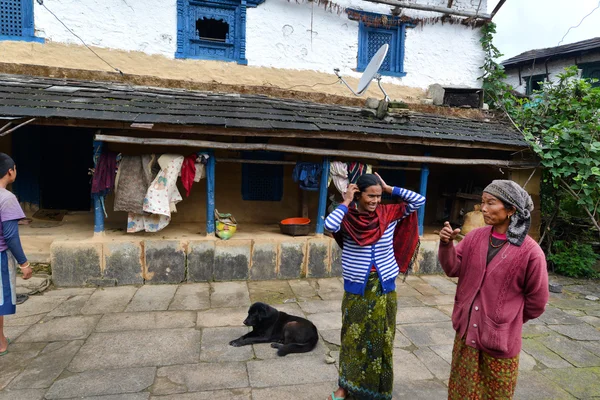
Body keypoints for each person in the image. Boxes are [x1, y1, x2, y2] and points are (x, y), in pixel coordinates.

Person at [438, 180, 549, 399]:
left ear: (511, 209)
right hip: (466, 333)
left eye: (491, 203)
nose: (484, 209)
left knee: (494, 394)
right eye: (483, 202)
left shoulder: (530, 252)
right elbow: (453, 268)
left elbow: (537, 302)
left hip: (500, 342)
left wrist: (507, 318)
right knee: (461, 392)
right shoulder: (474, 238)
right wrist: (446, 245)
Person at [324, 173, 425, 400]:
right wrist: (346, 201)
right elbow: (329, 225)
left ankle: (378, 389)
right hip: (357, 286)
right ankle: (345, 386)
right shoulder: (346, 217)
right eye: (371, 196)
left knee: (382, 337)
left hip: (384, 285)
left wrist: (389, 189)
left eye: (378, 197)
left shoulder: (389, 213)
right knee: (352, 337)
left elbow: (419, 200)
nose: (375, 201)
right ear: (359, 195)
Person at [0, 153, 32, 356]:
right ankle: (0, 343)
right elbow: (11, 237)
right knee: (0, 300)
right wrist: (24, 263)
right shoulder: (7, 199)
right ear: (10, 171)